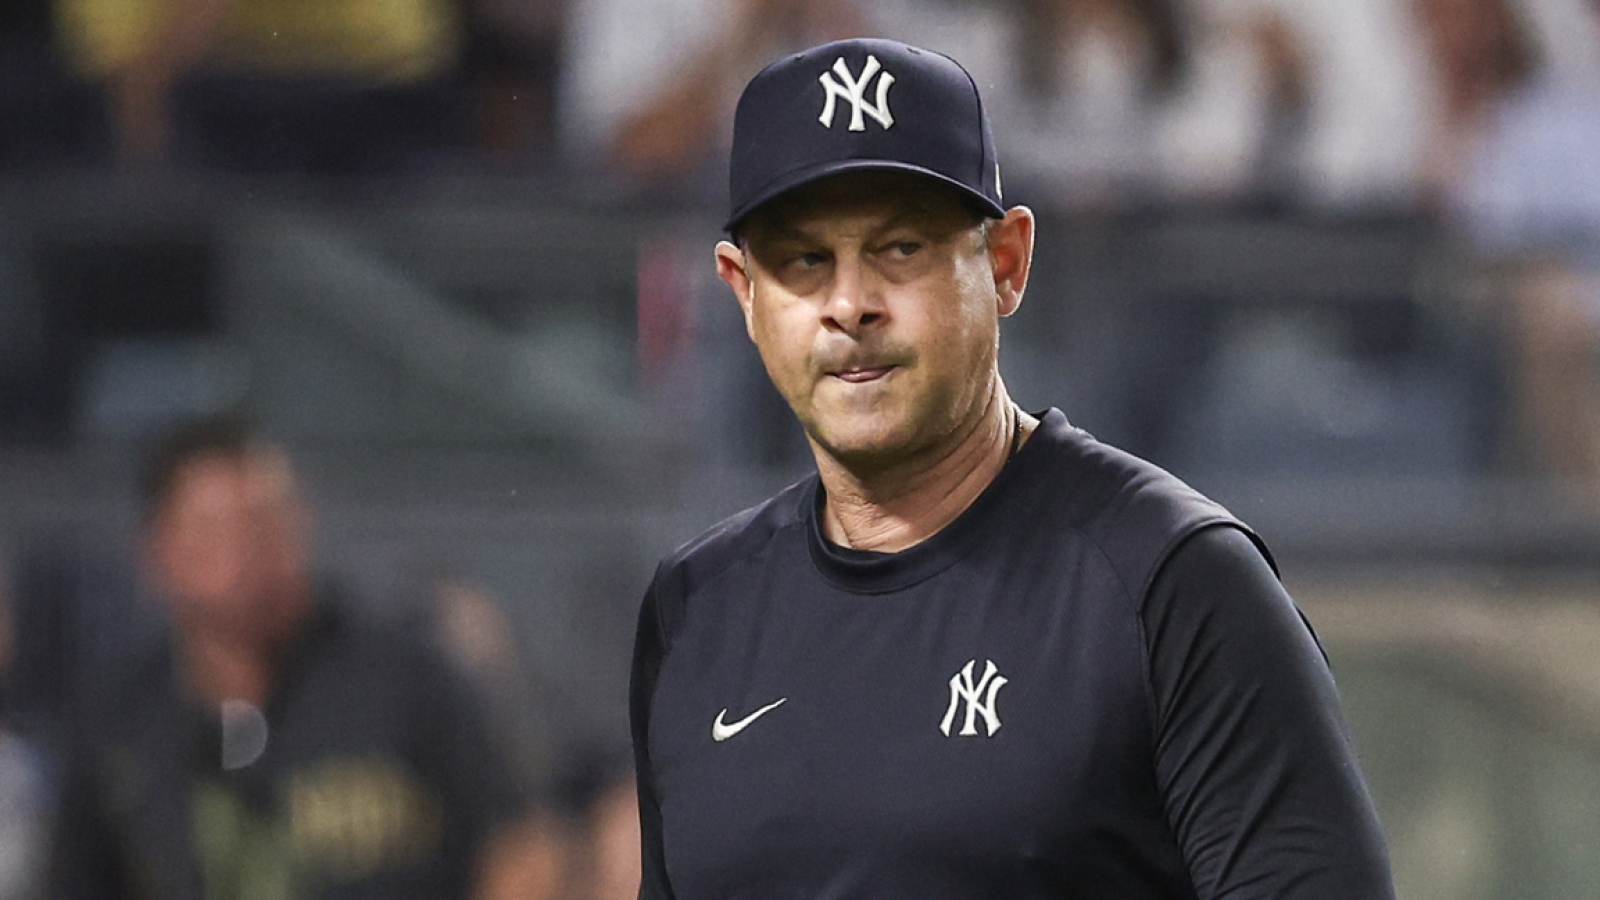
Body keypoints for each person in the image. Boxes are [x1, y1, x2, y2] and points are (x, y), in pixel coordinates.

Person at [628, 37, 1395, 898]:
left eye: (901, 248)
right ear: (743, 292)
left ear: (1005, 264)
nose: (850, 305)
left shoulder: (1169, 581)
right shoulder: (696, 611)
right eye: (805, 260)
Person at [46, 414, 546, 900]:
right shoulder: (121, 725)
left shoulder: (405, 679)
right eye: (214, 529)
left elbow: (521, 846)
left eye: (264, 520)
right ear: (159, 551)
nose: (246, 551)